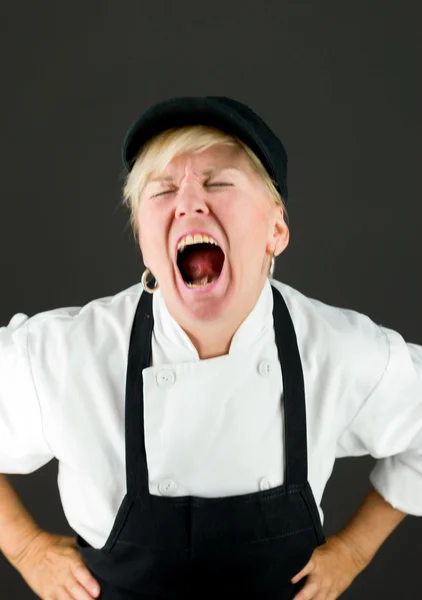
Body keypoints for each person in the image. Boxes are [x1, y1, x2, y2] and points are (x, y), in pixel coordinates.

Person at [0, 96, 421, 600]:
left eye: (219, 182)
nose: (189, 202)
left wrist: (354, 551)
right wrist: (25, 549)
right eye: (162, 190)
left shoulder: (335, 350)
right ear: (142, 238)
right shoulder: (66, 356)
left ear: (276, 229)